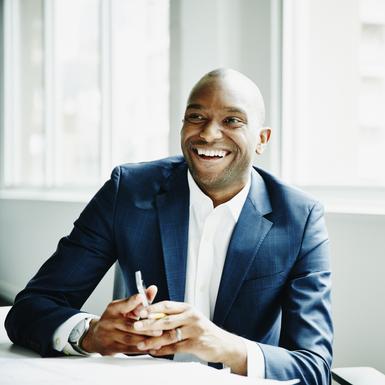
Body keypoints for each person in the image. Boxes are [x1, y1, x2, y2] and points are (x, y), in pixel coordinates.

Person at [5, 68, 333, 383]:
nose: (208, 133)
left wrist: (223, 345)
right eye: (196, 117)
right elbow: (29, 310)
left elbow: (314, 367)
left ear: (261, 139)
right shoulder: (128, 191)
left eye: (231, 120)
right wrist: (91, 334)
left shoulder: (299, 219)